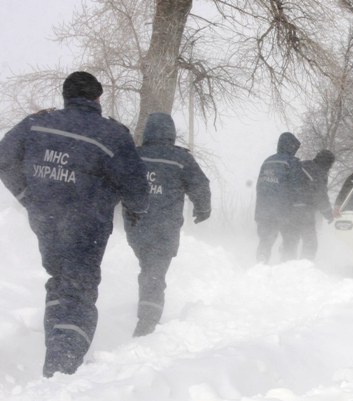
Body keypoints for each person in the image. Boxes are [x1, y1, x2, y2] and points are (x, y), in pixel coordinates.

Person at [0, 71, 149, 377]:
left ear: (66, 97)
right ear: (96, 98)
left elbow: (4, 158)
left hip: (45, 220)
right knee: (78, 289)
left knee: (59, 280)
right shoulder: (112, 134)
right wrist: (136, 209)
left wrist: (27, 194)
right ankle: (61, 368)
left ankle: (58, 351)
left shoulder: (36, 123)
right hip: (87, 225)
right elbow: (136, 185)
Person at [123, 112, 211, 337]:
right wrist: (203, 209)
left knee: (148, 268)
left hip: (136, 226)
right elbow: (200, 184)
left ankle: (146, 313)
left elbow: (118, 181)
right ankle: (147, 323)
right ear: (171, 133)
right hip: (165, 228)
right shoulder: (180, 159)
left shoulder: (134, 155)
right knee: (155, 272)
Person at [255, 132, 304, 263]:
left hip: (264, 210)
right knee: (291, 239)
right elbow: (297, 187)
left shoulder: (267, 161)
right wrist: (299, 207)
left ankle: (262, 259)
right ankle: (287, 265)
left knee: (266, 239)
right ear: (290, 146)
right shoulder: (291, 162)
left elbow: (260, 186)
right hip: (284, 210)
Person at [295, 149, 335, 260]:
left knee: (291, 240)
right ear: (326, 163)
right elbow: (320, 196)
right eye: (330, 165)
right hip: (304, 210)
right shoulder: (318, 172)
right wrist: (329, 214)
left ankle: (285, 263)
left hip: (289, 208)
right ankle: (305, 267)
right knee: (310, 242)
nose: (329, 168)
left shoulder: (301, 166)